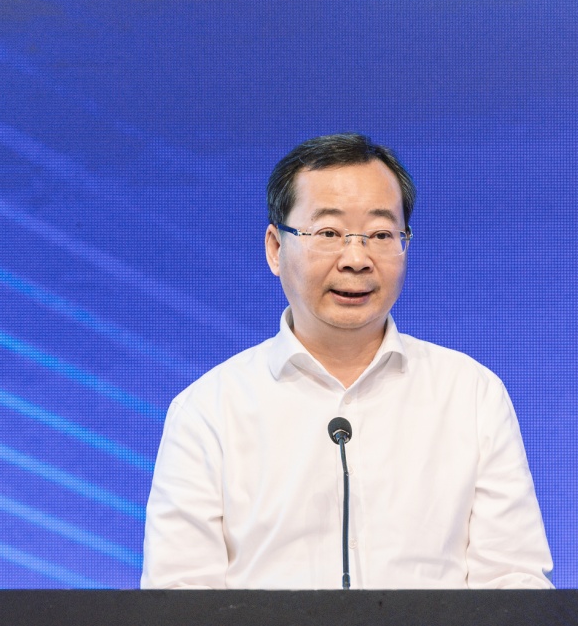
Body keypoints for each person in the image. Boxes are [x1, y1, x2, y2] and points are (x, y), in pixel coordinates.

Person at [141, 133, 553, 589]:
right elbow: (179, 597)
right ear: (276, 249)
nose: (356, 259)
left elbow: (513, 583)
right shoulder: (208, 411)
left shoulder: (471, 395)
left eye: (381, 235)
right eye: (328, 234)